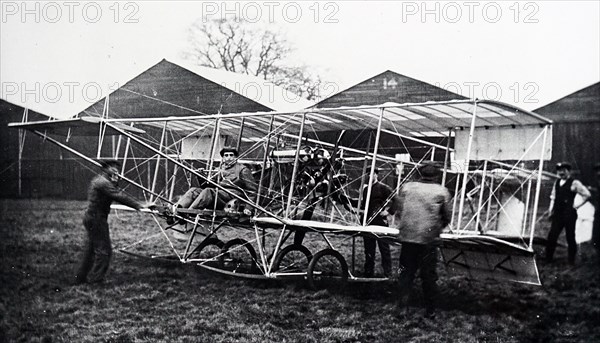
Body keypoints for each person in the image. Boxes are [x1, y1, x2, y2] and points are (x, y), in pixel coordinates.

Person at [75, 160, 153, 285]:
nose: (117, 170)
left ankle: (80, 278)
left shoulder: (102, 180)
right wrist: (140, 206)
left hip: (93, 217)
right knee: (104, 251)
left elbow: (114, 192)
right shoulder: (103, 182)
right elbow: (119, 196)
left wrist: (116, 181)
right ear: (106, 168)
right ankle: (96, 280)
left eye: (117, 168)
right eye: (113, 167)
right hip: (97, 219)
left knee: (91, 250)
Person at [395, 162, 451, 318]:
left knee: (405, 274)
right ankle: (430, 310)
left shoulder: (407, 188)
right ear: (437, 175)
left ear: (420, 174)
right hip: (428, 240)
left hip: (408, 238)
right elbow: (446, 217)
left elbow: (400, 210)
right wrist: (436, 228)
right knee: (428, 276)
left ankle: (402, 308)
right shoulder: (442, 192)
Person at [174, 146, 257, 215]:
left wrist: (249, 207)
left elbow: (252, 190)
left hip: (232, 196)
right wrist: (201, 176)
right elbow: (207, 185)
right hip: (218, 194)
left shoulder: (243, 170)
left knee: (208, 191)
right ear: (223, 158)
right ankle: (178, 210)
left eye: (231, 155)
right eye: (226, 155)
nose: (229, 158)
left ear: (235, 157)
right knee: (193, 191)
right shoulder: (219, 170)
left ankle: (189, 211)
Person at [544, 162, 591, 265]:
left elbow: (587, 195)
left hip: (569, 215)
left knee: (570, 237)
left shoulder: (574, 183)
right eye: (559, 170)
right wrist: (550, 210)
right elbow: (553, 197)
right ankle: (548, 259)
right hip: (558, 215)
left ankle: (571, 261)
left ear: (568, 171)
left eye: (564, 170)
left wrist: (576, 206)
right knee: (552, 236)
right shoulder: (556, 182)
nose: (561, 172)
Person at [361, 168, 398, 278]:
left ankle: (388, 274)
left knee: (384, 248)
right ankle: (368, 273)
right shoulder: (366, 189)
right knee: (369, 249)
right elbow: (363, 204)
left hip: (380, 222)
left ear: (376, 175)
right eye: (368, 174)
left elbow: (396, 200)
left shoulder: (383, 188)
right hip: (368, 221)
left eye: (372, 174)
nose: (370, 176)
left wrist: (388, 212)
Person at [591, 163, 600, 265]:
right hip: (598, 212)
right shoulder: (598, 182)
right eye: (597, 170)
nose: (598, 172)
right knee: (597, 235)